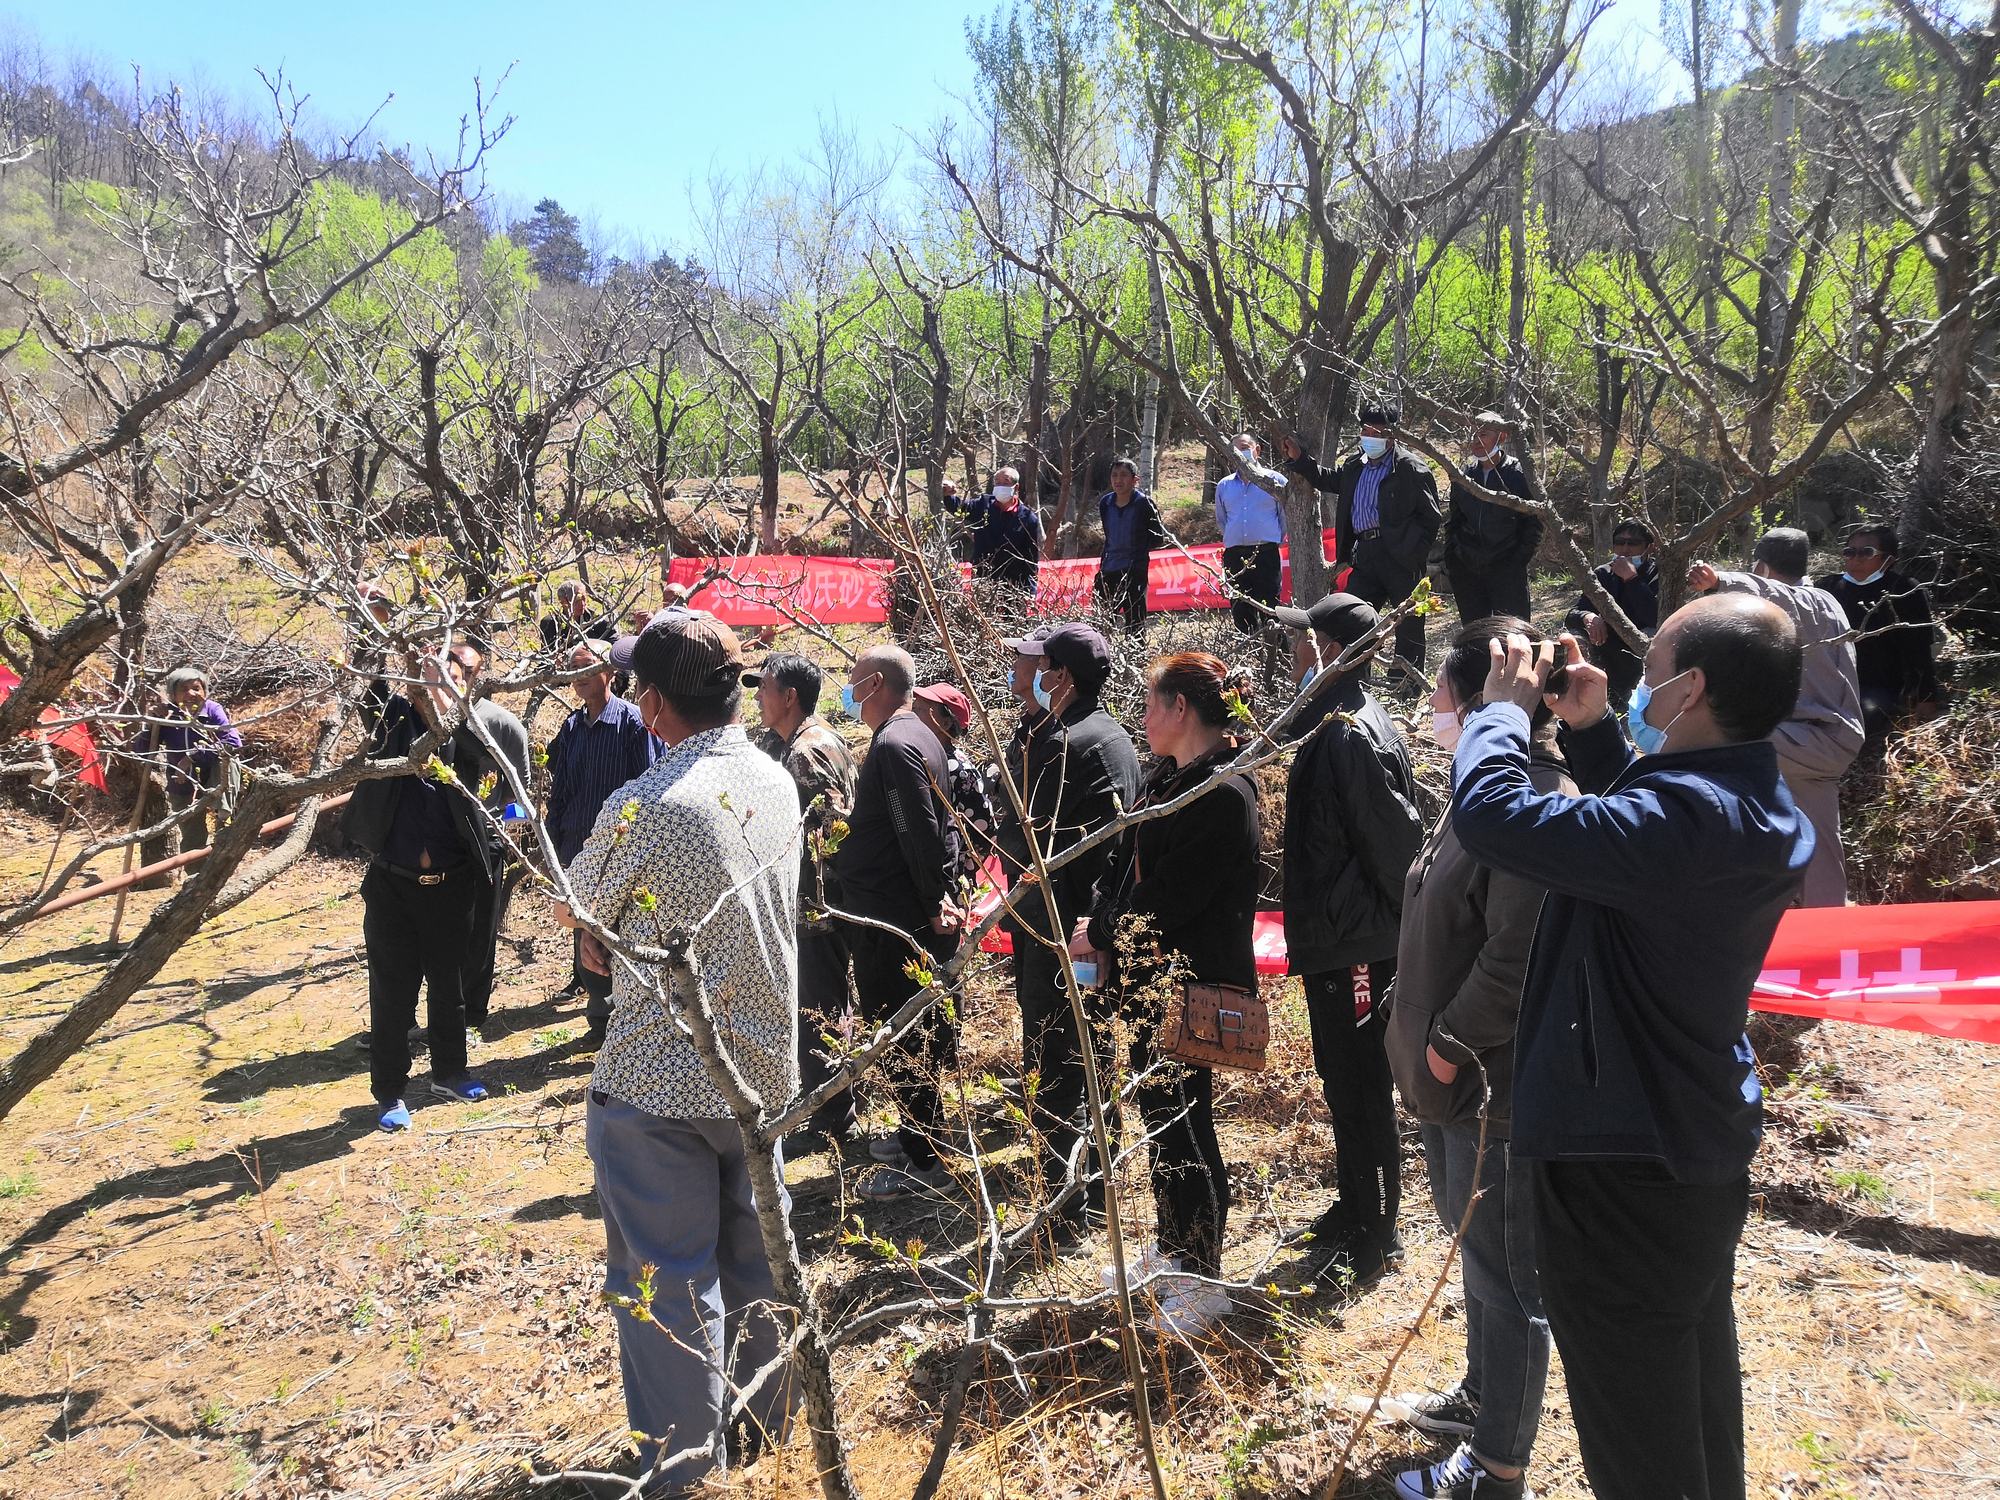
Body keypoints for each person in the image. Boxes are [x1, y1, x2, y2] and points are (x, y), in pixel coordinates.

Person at [1451, 596, 1813, 1500]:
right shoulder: (1749, 801)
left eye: (1650, 673)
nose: (1637, 684)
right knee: (1689, 1402)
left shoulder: (1685, 822)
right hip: (1688, 1146)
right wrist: (1597, 730)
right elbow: (1647, 836)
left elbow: (1493, 818)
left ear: (1691, 690)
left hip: (1621, 1170)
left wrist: (1502, 712)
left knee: (1638, 1444)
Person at [557, 608, 802, 1497]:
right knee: (759, 1263)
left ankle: (686, 1473)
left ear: (653, 703)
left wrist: (596, 935)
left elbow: (582, 909)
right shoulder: (774, 778)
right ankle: (771, 1439)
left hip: (660, 1080)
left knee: (667, 1285)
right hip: (763, 1070)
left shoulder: (646, 806)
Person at [1384, 616, 1576, 1500]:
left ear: (1477, 699)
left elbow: (1516, 955)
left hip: (1486, 1085)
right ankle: (1480, 1399)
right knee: (1477, 1258)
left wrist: (1446, 1048)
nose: (1429, 704)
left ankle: (1498, 1469)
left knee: (1507, 1280)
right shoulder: (1481, 788)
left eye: (1438, 688)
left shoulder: (1536, 800)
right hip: (1447, 1084)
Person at [1071, 652, 1259, 1337]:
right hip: (1150, 982)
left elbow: (1173, 897)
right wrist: (1097, 921)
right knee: (1159, 1118)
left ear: (1182, 709)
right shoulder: (1166, 778)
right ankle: (1175, 1249)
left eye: (1152, 703)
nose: (1144, 717)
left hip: (1191, 985)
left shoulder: (1223, 791)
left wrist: (1106, 929)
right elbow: (1118, 861)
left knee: (1186, 1122)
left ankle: (1205, 1275)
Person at [1276, 594, 1423, 1289]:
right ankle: (1354, 1203)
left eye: (1305, 639)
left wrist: (1393, 934)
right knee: (1342, 1079)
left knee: (1364, 1084)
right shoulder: (1331, 720)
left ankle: (1380, 1229)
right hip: (1336, 939)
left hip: (1357, 942)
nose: (1295, 651)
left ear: (1331, 649)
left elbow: (1395, 844)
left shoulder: (1351, 733)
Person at [992, 624, 1141, 1242]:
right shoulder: (1113, 736)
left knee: (1054, 1062)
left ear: (1063, 677)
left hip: (1059, 932)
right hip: (1088, 929)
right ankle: (1099, 1186)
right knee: (1092, 1056)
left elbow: (1037, 841)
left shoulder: (1064, 744)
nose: (1033, 677)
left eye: (1043, 666)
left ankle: (1063, 1206)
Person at [341, 643, 530, 1131]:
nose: (433, 690)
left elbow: (489, 762)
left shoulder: (469, 732)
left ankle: (450, 1072)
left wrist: (448, 706)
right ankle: (389, 1090)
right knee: (392, 991)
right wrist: (379, 629)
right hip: (393, 885)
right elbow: (370, 693)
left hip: (452, 884)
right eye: (426, 680)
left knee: (450, 985)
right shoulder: (394, 722)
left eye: (447, 680)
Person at [831, 645, 963, 1200]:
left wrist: (934, 899)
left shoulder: (893, 744)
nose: (848, 692)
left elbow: (918, 830)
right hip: (895, 912)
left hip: (895, 919)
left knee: (903, 1035)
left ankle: (925, 1161)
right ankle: (918, 1135)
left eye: (854, 681)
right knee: (912, 1034)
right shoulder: (918, 734)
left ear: (877, 684)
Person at [1689, 529, 1864, 906]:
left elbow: (1777, 593)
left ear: (1763, 566)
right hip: (1824, 743)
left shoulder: (1805, 601)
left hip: (1804, 739)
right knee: (1821, 846)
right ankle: (1825, 926)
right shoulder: (1829, 602)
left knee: (1703, 748)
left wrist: (1721, 581)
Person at [746, 651, 861, 1147]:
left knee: (818, 1010)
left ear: (789, 697)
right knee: (826, 1005)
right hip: (821, 902)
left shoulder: (806, 753)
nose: (757, 696)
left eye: (765, 687)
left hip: (817, 905)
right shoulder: (804, 742)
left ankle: (831, 1115)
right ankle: (835, 1103)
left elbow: (833, 828)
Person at [545, 640, 662, 1040]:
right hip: (579, 849)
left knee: (618, 933)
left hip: (621, 851)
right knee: (584, 931)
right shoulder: (571, 727)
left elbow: (649, 787)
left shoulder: (633, 723)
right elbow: (561, 790)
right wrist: (555, 842)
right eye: (574, 670)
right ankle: (599, 1017)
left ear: (610, 672)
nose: (580, 678)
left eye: (588, 668)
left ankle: (620, 1020)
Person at [1281, 401, 1440, 680]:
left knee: (1408, 623)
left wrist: (1412, 551)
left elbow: (1430, 518)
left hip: (1400, 556)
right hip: (1365, 554)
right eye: (1365, 431)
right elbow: (1329, 480)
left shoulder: (1410, 469)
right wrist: (1301, 461)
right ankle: (1354, 680)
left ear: (1391, 435)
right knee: (1352, 618)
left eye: (1376, 432)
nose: (1369, 437)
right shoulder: (1356, 466)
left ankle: (1406, 686)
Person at [454, 642, 530, 1036]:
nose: (459, 677)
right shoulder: (428, 721)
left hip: (486, 840)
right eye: (453, 668)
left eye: (467, 671)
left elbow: (522, 796)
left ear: (479, 675)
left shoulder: (501, 724)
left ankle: (471, 1014)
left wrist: (502, 829)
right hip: (439, 841)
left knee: (479, 931)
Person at [1815, 524, 1943, 755]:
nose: (1856, 559)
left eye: (1866, 552)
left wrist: (1926, 697)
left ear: (1888, 559)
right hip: (1828, 682)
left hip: (1879, 687)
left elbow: (1920, 649)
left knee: (1856, 724)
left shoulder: (1904, 591)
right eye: (1850, 552)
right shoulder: (1827, 588)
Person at [1442, 411, 1542, 623]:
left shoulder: (1519, 473)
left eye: (1483, 434)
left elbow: (1534, 522)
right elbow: (1455, 520)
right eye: (1473, 434)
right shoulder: (1464, 475)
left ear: (1501, 437)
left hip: (1507, 568)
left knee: (1512, 633)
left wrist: (1516, 561)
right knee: (1475, 635)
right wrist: (1454, 559)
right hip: (1467, 569)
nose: (1476, 440)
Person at [911, 681, 998, 896]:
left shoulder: (959, 771)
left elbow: (984, 830)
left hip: (951, 881)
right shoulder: (921, 759)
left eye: (921, 710)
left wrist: (962, 867)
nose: (913, 714)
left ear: (946, 721)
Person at [146, 666, 243, 859]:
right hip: (181, 783)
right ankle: (197, 873)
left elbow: (232, 742)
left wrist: (191, 757)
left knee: (228, 761)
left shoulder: (213, 710)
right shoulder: (169, 716)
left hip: (216, 778)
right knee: (191, 837)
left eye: (196, 688)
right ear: (173, 695)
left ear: (205, 691)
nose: (191, 694)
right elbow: (144, 750)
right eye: (184, 689)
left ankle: (223, 816)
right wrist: (151, 724)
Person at [1213, 433, 1289, 633]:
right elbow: (1222, 520)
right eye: (1235, 450)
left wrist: (1272, 538)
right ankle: (1248, 649)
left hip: (1266, 554)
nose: (1240, 453)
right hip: (1234, 555)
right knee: (1240, 609)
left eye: (1245, 448)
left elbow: (1284, 518)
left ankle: (1275, 650)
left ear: (1257, 450)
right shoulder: (1224, 485)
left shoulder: (1275, 480)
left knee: (1270, 607)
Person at [1095, 457, 1171, 631]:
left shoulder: (1144, 504)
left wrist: (1136, 549)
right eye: (1114, 475)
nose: (1118, 480)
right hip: (1108, 568)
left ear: (1135, 479)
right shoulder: (1106, 503)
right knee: (1102, 623)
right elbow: (1109, 535)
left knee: (1135, 622)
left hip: (1134, 570)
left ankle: (1135, 649)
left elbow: (1158, 537)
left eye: (1123, 475)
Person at [945, 466, 1044, 594]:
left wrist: (1029, 591)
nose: (1000, 486)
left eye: (1005, 482)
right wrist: (947, 494)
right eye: (997, 482)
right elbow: (959, 508)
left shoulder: (1028, 519)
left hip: (1015, 586)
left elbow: (1031, 559)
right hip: (984, 580)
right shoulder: (983, 505)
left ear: (1016, 487)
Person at [539, 579, 613, 652]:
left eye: (584, 599)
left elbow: (613, 642)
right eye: (577, 600)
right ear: (563, 602)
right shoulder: (550, 623)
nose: (582, 604)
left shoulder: (597, 620)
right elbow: (547, 651)